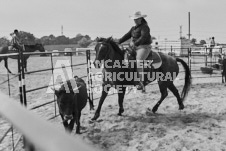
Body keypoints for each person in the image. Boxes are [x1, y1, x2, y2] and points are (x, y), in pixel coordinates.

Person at [118, 11, 152, 90]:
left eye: (137, 19)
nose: (135, 20)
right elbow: (127, 36)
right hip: (134, 47)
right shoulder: (133, 28)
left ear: (141, 19)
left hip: (144, 47)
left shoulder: (145, 27)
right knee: (124, 59)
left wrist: (135, 43)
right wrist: (118, 42)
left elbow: (143, 37)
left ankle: (141, 82)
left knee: (139, 61)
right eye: (134, 19)